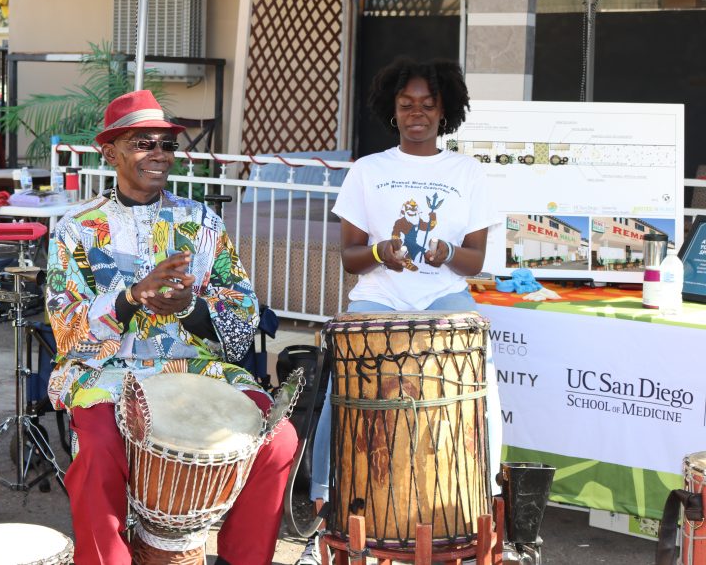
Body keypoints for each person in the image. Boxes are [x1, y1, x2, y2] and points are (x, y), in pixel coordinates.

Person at [45, 90, 298, 565]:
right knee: (99, 445)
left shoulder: (202, 221)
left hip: (195, 368)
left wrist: (191, 308)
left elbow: (242, 316)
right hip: (108, 370)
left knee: (278, 437)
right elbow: (66, 328)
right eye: (143, 143)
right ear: (110, 151)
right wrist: (131, 296)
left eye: (166, 145)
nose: (158, 154)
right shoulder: (75, 229)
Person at [299, 57, 501, 563]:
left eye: (428, 105)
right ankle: (322, 502)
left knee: (483, 383)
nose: (416, 113)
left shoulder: (467, 172)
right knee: (341, 390)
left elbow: (475, 259)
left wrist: (447, 254)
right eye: (406, 104)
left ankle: (489, 498)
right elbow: (349, 258)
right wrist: (379, 252)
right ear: (392, 109)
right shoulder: (368, 170)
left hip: (441, 295)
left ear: (445, 111)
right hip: (379, 297)